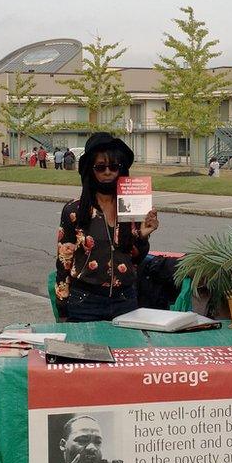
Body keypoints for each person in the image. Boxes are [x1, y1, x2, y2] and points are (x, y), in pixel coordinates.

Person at [54, 133, 159, 322]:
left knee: (126, 352)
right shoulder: (74, 211)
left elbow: (134, 258)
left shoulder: (131, 208)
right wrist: (62, 307)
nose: (108, 172)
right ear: (90, 170)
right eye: (100, 167)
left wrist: (142, 236)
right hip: (85, 302)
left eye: (114, 167)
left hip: (125, 300)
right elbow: (64, 261)